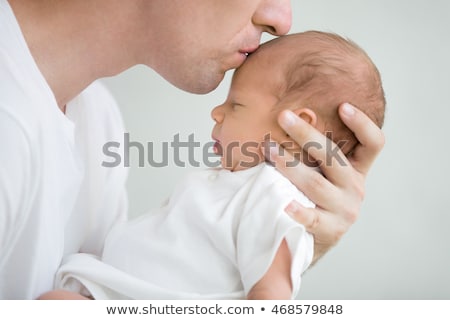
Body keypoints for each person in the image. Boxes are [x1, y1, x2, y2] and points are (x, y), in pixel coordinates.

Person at [0, 0, 385, 300]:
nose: (281, 19)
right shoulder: (11, 120)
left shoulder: (98, 119)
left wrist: (275, 251)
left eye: (235, 105)